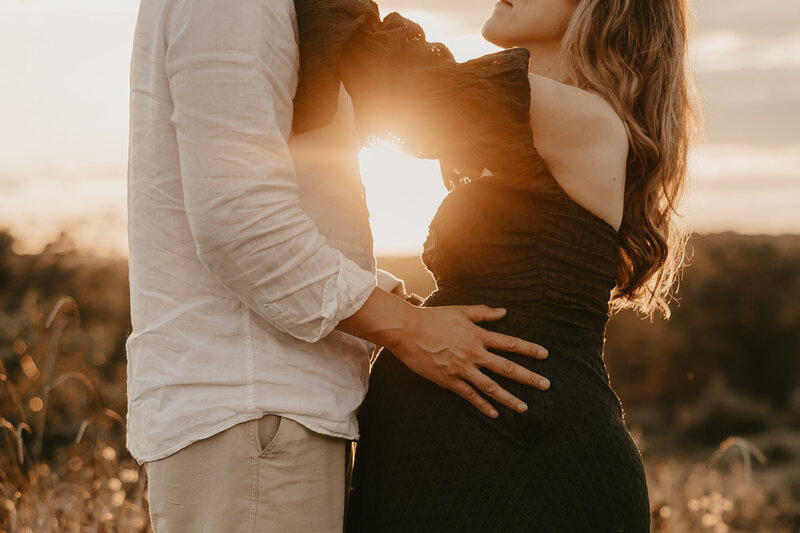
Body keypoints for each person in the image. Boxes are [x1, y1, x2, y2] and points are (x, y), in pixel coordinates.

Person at [126, 0, 554, 531]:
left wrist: (384, 298)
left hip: (266, 415)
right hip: (257, 411)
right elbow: (238, 218)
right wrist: (411, 331)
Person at [286, 0, 696, 531]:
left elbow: (392, 75)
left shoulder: (584, 118)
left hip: (532, 466)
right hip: (475, 464)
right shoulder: (529, 128)